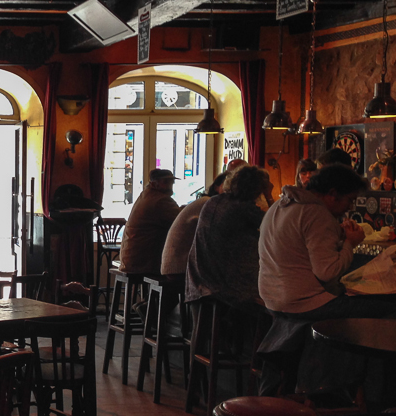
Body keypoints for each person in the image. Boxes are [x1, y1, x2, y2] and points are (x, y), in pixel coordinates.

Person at [257, 164, 396, 397]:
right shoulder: (317, 213)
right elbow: (328, 271)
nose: (349, 208)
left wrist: (339, 238)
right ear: (332, 194)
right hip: (306, 303)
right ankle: (375, 397)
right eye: (349, 200)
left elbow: (301, 250)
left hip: (272, 300)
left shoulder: (281, 205)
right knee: (388, 309)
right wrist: (351, 244)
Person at [185, 166, 271, 308]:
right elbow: (274, 224)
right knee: (275, 291)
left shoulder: (213, 201)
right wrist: (269, 195)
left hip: (198, 279)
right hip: (225, 285)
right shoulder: (242, 208)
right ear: (257, 189)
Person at [161, 171, 228, 277]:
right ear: (216, 187)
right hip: (180, 267)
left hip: (173, 264)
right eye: (226, 185)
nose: (230, 190)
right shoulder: (208, 203)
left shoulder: (205, 201)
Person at [118, 168, 182, 275]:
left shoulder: (146, 195)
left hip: (131, 258)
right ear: (154, 184)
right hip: (144, 262)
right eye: (165, 182)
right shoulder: (161, 200)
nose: (170, 186)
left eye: (171, 182)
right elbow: (181, 222)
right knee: (181, 272)